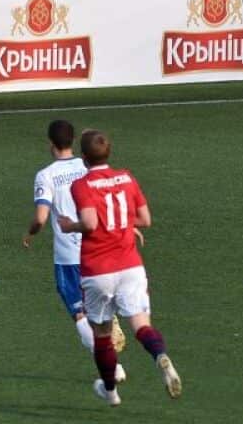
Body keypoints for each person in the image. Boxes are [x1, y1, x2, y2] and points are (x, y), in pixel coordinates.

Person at [58, 129, 182, 407]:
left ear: (84, 157)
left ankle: (111, 391)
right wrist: (126, 226)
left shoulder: (82, 185)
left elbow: (89, 223)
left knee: (102, 333)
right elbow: (145, 219)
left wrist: (69, 225)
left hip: (98, 269)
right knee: (140, 324)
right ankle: (160, 356)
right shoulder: (127, 176)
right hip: (130, 265)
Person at [22, 119, 127, 380]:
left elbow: (41, 217)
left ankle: (113, 367)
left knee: (78, 313)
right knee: (97, 311)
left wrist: (30, 233)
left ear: (50, 143)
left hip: (68, 257)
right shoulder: (87, 165)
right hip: (97, 249)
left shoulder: (46, 175)